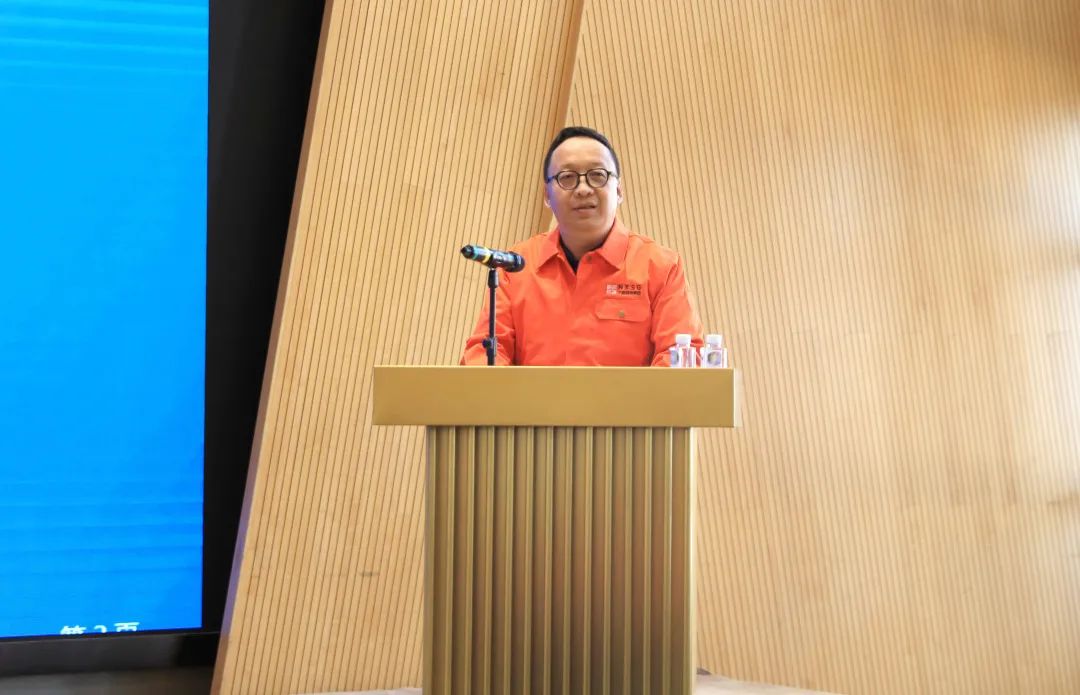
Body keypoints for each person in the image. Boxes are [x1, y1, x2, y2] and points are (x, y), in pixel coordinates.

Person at [461, 126, 703, 366]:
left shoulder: (660, 267)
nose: (583, 189)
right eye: (567, 178)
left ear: (619, 190)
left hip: (631, 395)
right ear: (547, 195)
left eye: (597, 175)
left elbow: (681, 357)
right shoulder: (516, 266)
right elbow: (485, 352)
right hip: (534, 395)